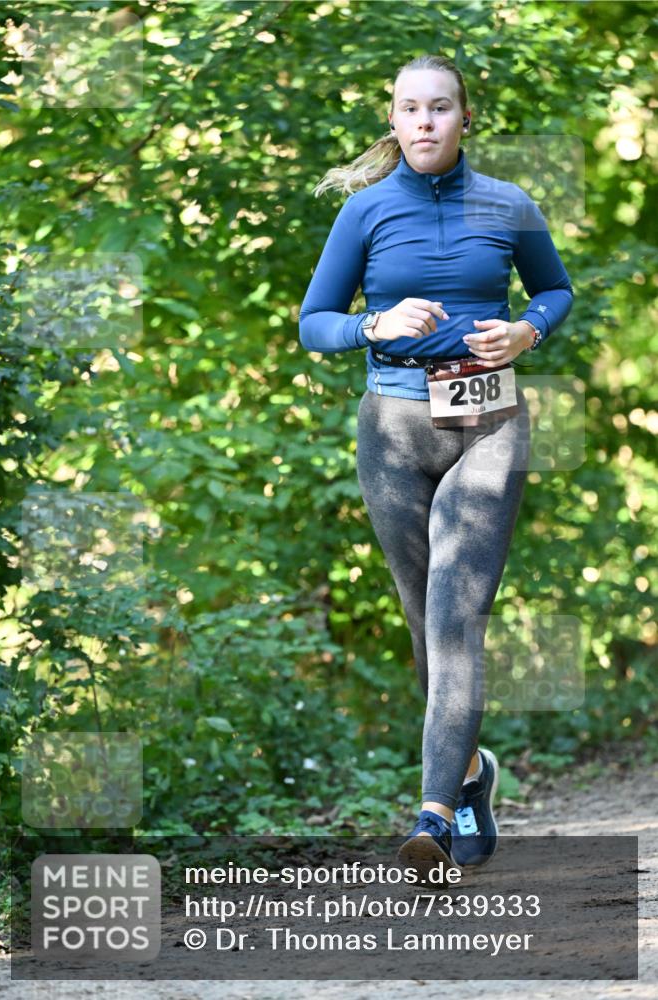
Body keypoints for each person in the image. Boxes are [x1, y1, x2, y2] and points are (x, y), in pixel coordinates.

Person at [298, 55, 574, 875]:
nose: (423, 121)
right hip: (391, 426)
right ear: (393, 122)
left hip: (490, 424)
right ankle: (469, 773)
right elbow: (314, 322)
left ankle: (432, 815)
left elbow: (554, 291)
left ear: (463, 118)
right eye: (409, 109)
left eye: (439, 108)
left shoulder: (507, 204)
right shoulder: (365, 211)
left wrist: (527, 331)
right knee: (424, 619)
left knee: (457, 616)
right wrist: (369, 327)